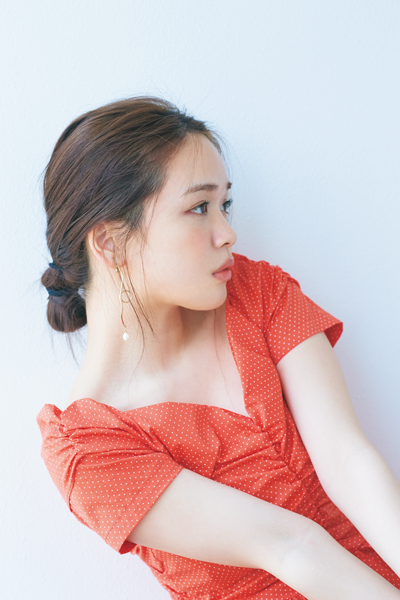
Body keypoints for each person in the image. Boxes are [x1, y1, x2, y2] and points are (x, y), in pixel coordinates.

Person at [37, 96, 400, 600]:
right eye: (198, 208)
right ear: (110, 242)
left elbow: (348, 460)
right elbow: (289, 544)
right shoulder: (89, 448)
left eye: (224, 205)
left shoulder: (255, 291)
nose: (227, 234)